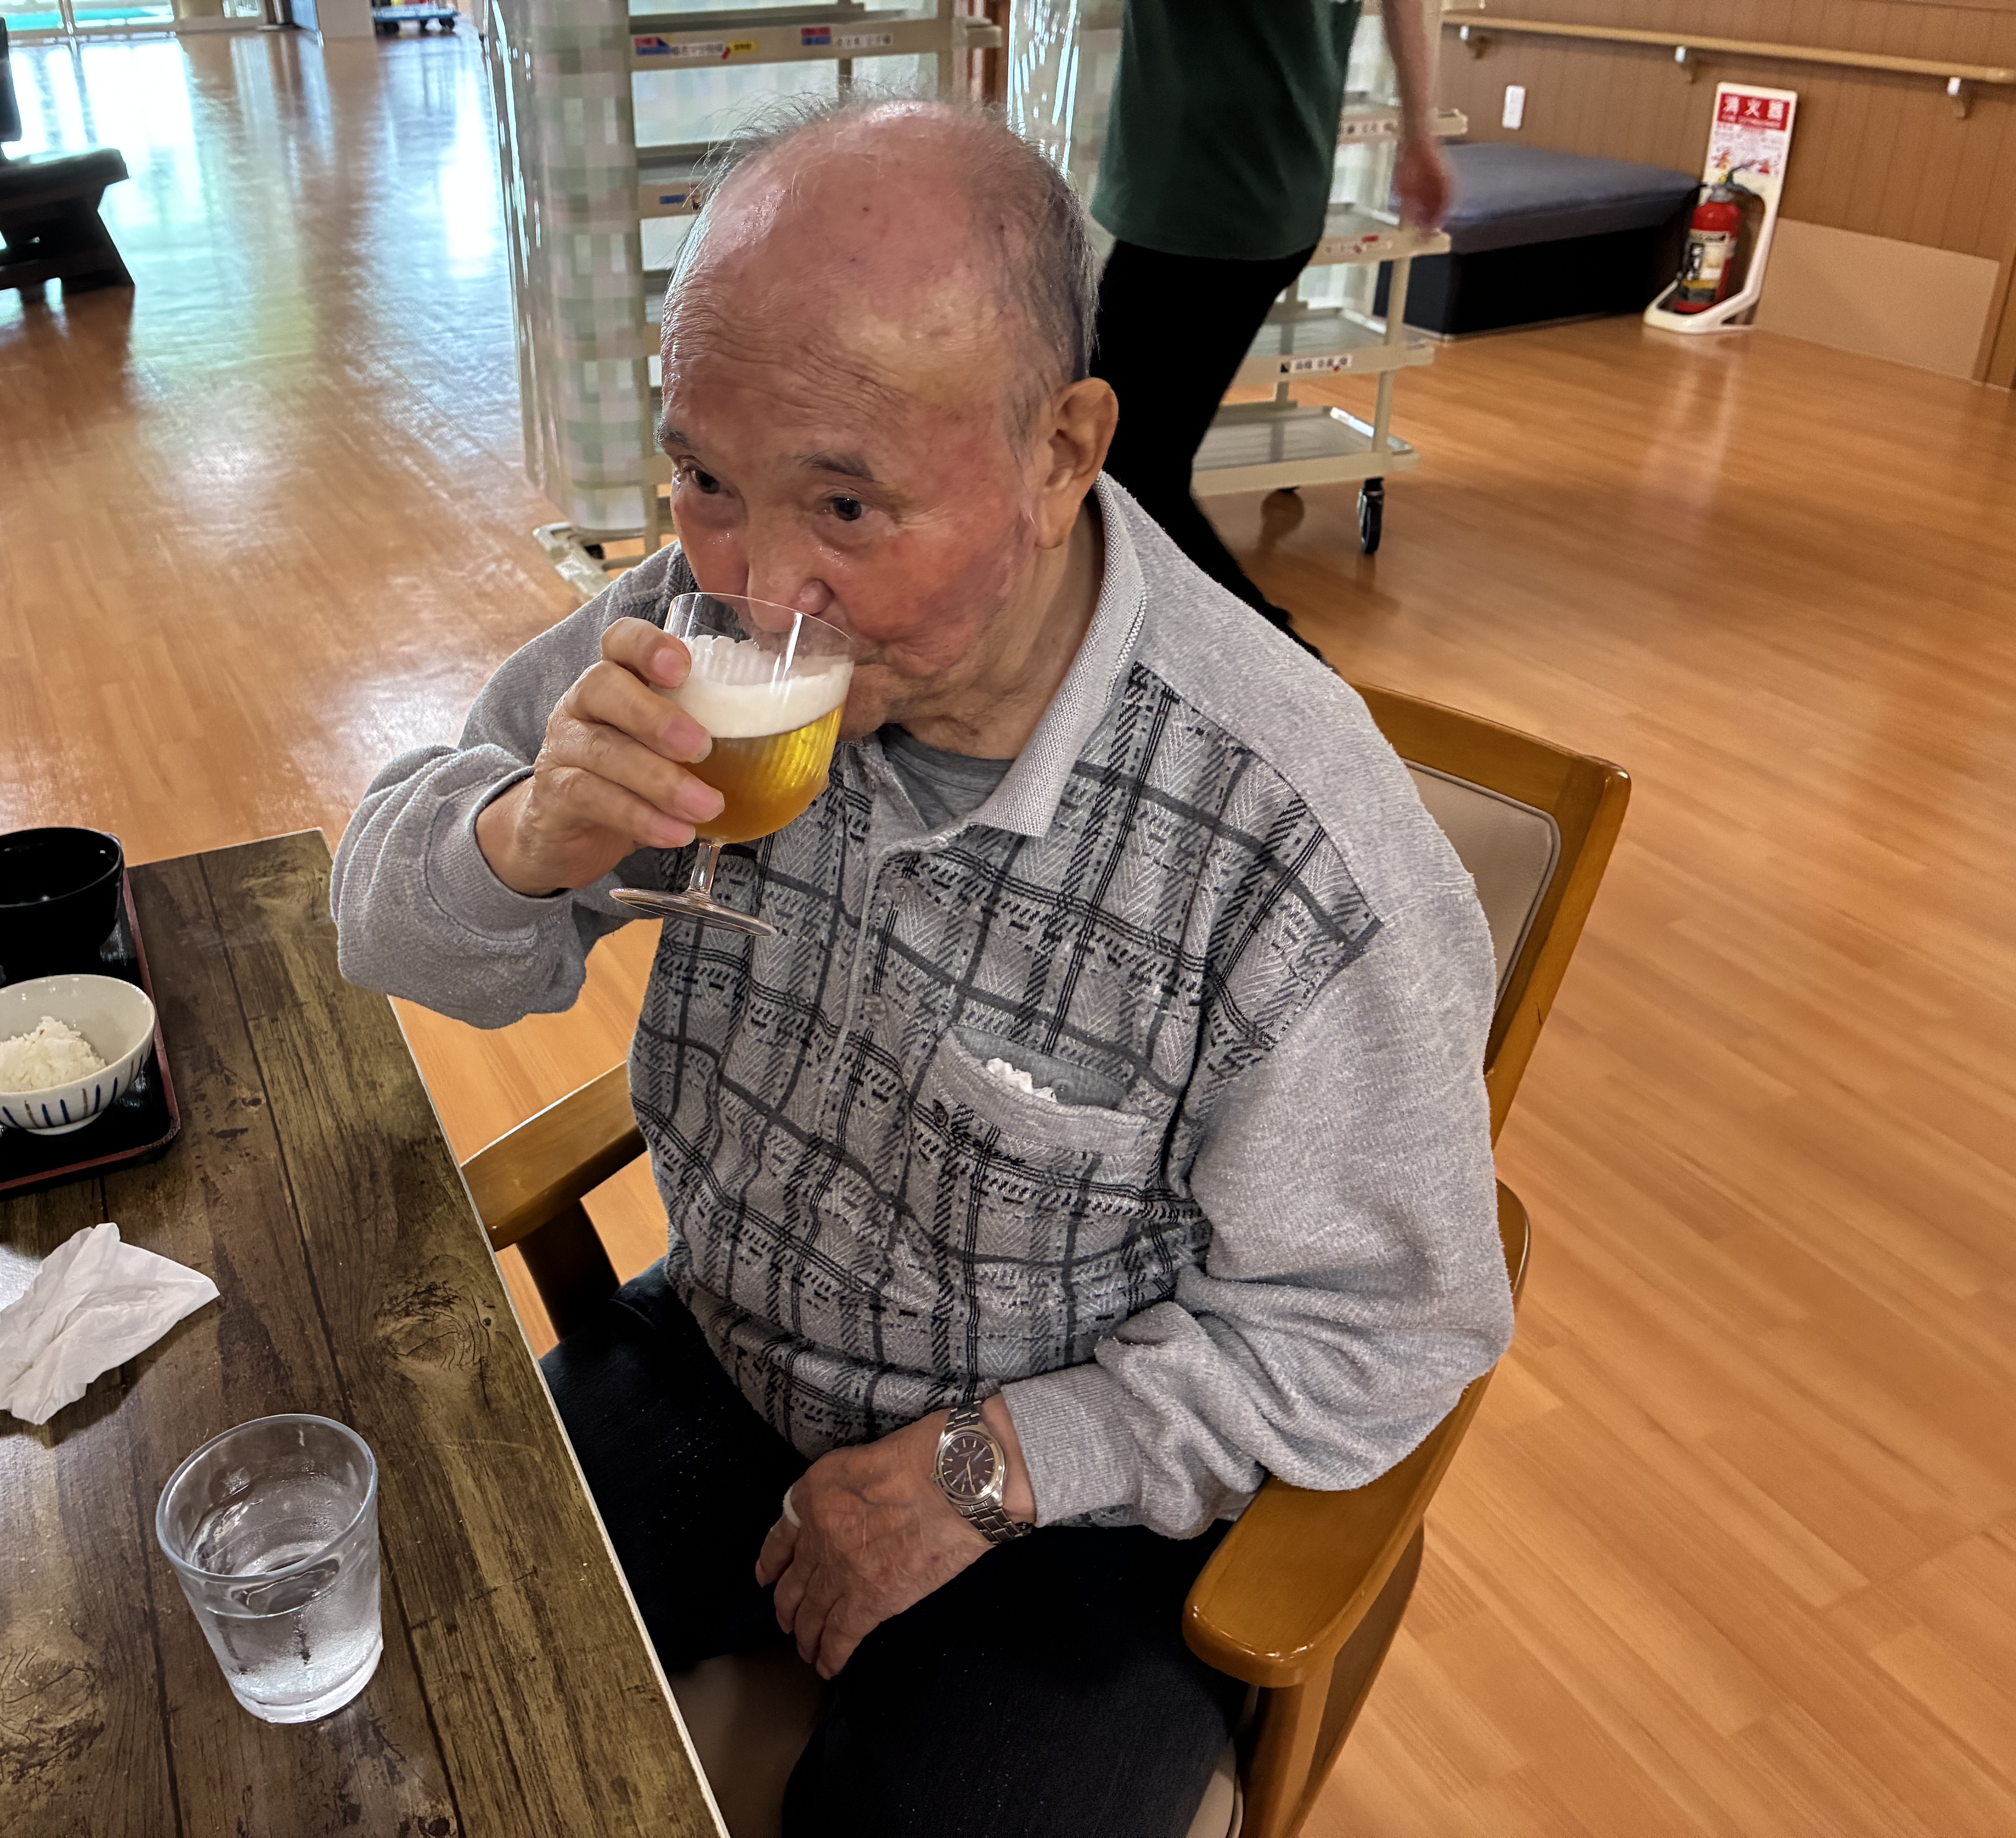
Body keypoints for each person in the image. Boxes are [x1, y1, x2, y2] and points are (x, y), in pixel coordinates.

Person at [333, 99, 1510, 1838]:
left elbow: (1400, 1323)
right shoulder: (686, 625)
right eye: (705, 477)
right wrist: (517, 839)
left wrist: (994, 1468)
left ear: (1063, 450)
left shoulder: (1288, 841)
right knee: (385, 1682)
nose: (759, 581)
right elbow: (374, 919)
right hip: (718, 1354)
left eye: (849, 503)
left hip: (1078, 1503)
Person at [1089, 0, 1453, 656]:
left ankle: (1281, 665)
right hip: (1253, 188)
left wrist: (1419, 136)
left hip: (1208, 198)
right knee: (1120, 459)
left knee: (1119, 465)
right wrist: (1418, 135)